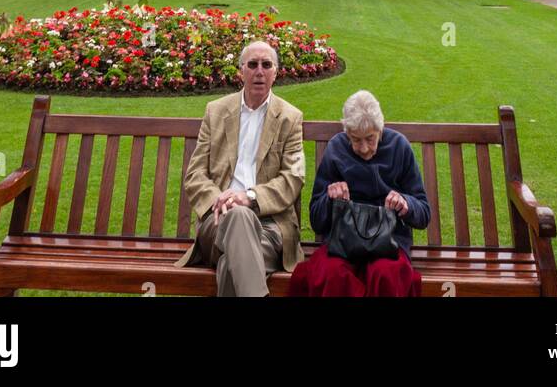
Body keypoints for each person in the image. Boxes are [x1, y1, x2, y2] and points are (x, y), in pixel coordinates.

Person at [176, 40, 305, 296]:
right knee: (237, 216)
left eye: (266, 65)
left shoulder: (290, 117)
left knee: (229, 265)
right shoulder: (216, 111)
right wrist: (221, 200)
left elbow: (293, 177)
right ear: (241, 70)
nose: (259, 71)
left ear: (276, 72)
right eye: (253, 64)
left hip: (270, 225)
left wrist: (248, 197)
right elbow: (195, 174)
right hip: (218, 220)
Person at [288, 91, 430, 297]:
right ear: (346, 132)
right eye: (355, 140)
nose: (364, 148)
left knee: (385, 274)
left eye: (370, 139)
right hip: (342, 242)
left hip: (388, 243)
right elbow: (316, 221)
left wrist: (406, 203)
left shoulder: (399, 146)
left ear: (380, 129)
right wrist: (329, 198)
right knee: (332, 273)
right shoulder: (336, 148)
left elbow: (424, 213)